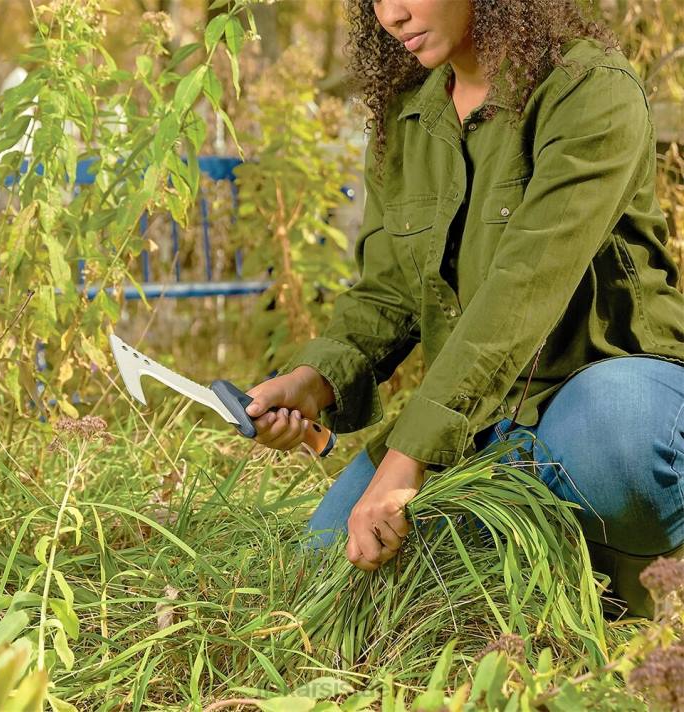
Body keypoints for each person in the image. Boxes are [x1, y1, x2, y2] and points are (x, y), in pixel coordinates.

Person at [244, 0, 684, 618]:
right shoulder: (407, 115)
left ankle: (636, 583)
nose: (391, 15)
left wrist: (408, 460)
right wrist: (311, 382)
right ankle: (528, 568)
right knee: (324, 566)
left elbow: (524, 285)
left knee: (609, 433)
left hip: (613, 391)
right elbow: (388, 293)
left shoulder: (589, 88)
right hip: (488, 422)